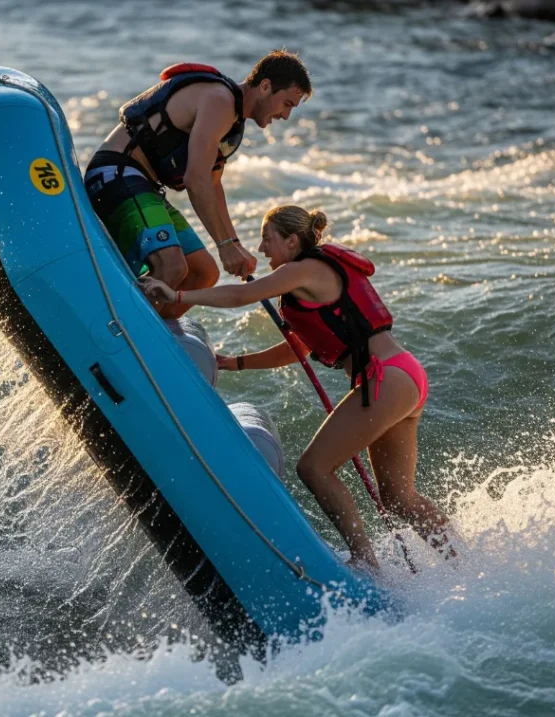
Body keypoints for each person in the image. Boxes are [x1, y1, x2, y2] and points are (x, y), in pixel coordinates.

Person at [140, 205, 455, 572]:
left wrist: (176, 297)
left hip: (385, 379)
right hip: (403, 376)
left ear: (292, 241)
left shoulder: (302, 269)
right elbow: (301, 348)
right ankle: (462, 566)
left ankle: (365, 562)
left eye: (267, 239)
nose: (261, 248)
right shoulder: (310, 279)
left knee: (314, 468)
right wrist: (238, 362)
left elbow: (243, 296)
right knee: (399, 498)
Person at [85, 50, 312, 319]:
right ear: (265, 86)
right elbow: (196, 178)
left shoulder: (233, 121)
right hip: (115, 174)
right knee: (172, 267)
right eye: (286, 103)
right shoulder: (219, 101)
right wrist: (224, 244)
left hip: (143, 186)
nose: (285, 116)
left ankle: (155, 336)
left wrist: (235, 244)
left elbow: (213, 186)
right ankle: (114, 331)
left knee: (204, 272)